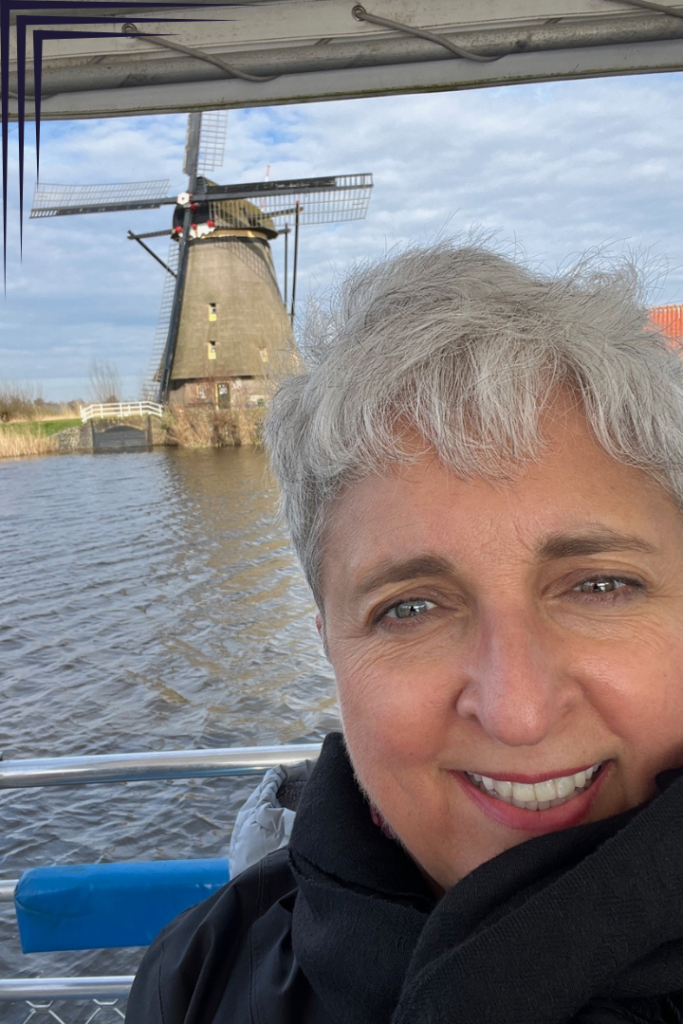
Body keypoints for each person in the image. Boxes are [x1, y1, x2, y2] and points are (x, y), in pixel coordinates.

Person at [126, 241, 683, 1024]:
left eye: (599, 586)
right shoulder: (200, 977)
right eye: (410, 608)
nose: (516, 711)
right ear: (329, 642)